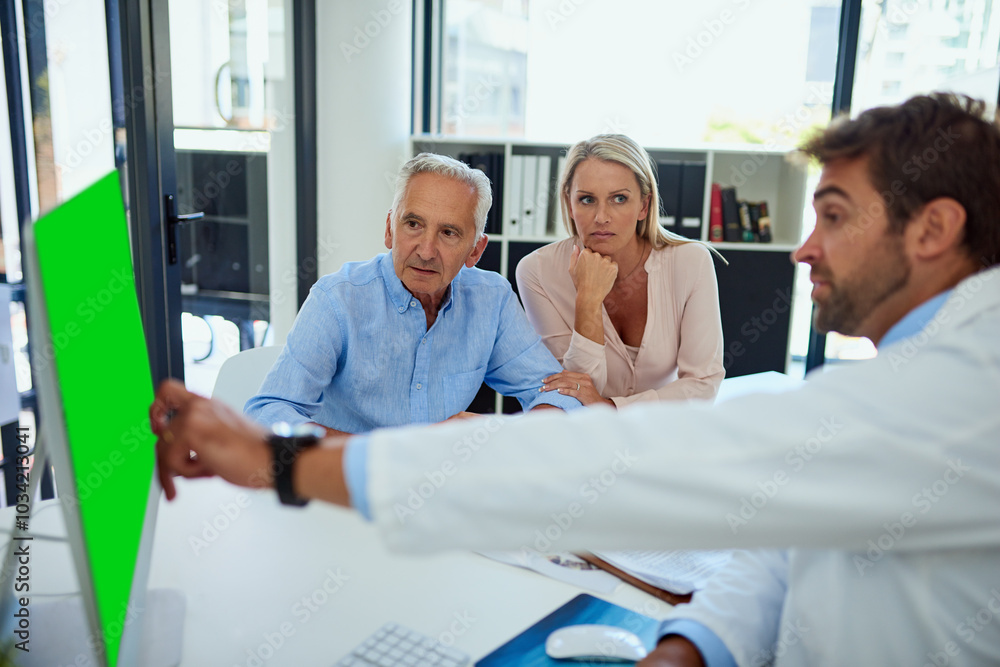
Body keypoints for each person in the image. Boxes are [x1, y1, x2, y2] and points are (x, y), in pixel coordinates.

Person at [153, 94, 1000, 666]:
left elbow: (624, 448)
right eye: (411, 224)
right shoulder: (933, 362)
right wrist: (691, 643)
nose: (803, 249)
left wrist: (285, 461)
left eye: (835, 216)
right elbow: (786, 538)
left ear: (934, 229)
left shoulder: (961, 393)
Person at [243, 153, 579, 435]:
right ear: (390, 229)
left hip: (439, 491)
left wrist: (491, 435)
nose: (427, 250)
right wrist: (385, 454)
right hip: (345, 487)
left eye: (448, 233)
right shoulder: (337, 300)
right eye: (413, 224)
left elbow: (560, 396)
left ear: (475, 251)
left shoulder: (492, 299)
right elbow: (269, 413)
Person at [516, 134, 725, 407]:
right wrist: (587, 300)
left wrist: (611, 408)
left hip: (664, 433)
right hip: (585, 435)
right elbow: (572, 391)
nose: (601, 217)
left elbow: (703, 384)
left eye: (619, 198)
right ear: (569, 204)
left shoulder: (690, 261)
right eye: (587, 200)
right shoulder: (536, 272)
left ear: (644, 205)